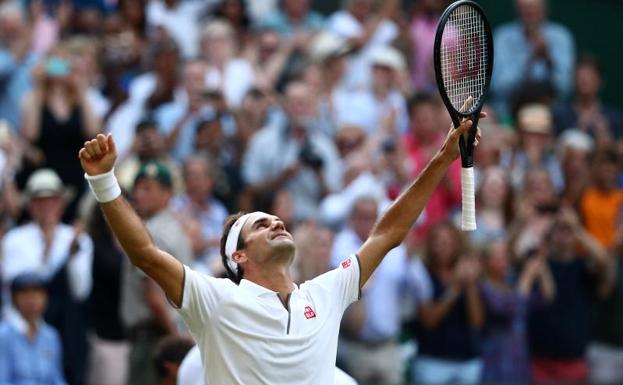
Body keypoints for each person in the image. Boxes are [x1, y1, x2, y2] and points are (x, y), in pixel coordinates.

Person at [78, 113, 482, 384]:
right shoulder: (214, 299)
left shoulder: (325, 292)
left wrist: (444, 156)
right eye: (260, 224)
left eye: (276, 220)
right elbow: (146, 253)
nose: (276, 222)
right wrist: (104, 182)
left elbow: (387, 234)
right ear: (238, 256)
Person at [1, 168, 93, 385]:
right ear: (31, 205)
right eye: (40, 201)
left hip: (67, 328)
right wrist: (50, 251)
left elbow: (81, 290)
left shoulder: (76, 238)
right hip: (25, 327)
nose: (47, 207)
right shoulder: (15, 239)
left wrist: (71, 256)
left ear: (62, 203)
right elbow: (21, 286)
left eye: (52, 200)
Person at [120, 161, 193, 385]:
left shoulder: (148, 232)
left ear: (167, 194)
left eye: (148, 188)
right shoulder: (177, 230)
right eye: (138, 188)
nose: (139, 194)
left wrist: (176, 341)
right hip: (172, 332)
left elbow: (154, 298)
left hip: (156, 339)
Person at [491, 0, 575, 119]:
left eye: (534, 8)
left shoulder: (561, 36)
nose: (530, 12)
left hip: (552, 115)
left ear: (545, 10)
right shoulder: (503, 37)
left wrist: (548, 59)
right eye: (525, 8)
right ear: (518, 11)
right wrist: (529, 60)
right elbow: (499, 87)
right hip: (509, 112)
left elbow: (564, 88)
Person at [0, 273, 66, 384]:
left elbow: (56, 378)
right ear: (14, 298)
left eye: (37, 294)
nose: (32, 300)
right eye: (25, 294)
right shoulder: (3, 336)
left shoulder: (51, 336)